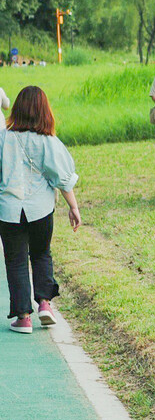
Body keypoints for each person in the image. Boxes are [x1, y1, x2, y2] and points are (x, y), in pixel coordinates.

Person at [0, 87, 81, 334]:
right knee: (41, 254)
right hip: (40, 209)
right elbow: (62, 178)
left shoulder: (3, 138)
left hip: (9, 211)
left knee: (15, 261)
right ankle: (45, 303)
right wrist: (73, 206)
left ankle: (23, 317)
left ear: (17, 109)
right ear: (44, 110)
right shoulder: (49, 141)